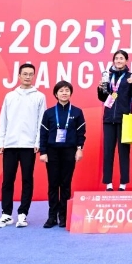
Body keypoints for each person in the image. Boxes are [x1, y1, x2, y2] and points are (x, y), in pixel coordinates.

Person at [0, 63, 46, 228]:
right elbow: (3, 120)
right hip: (10, 144)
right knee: (8, 180)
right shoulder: (10, 96)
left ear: (34, 76)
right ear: (19, 76)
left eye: (31, 74)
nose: (28, 77)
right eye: (25, 74)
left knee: (27, 179)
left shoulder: (39, 97)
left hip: (29, 145)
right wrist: (1, 141)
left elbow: (41, 121)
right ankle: (6, 214)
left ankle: (23, 214)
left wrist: (38, 142)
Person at [38, 80, 86, 229]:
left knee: (65, 184)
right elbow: (43, 133)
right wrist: (43, 152)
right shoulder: (49, 113)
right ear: (56, 94)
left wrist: (79, 149)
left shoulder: (77, 112)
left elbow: (81, 133)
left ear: (70, 93)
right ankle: (52, 216)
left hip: (69, 151)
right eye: (61, 91)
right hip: (52, 152)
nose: (64, 93)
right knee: (53, 184)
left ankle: (63, 216)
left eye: (67, 90)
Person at [97, 50, 132, 191]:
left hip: (124, 119)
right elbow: (103, 98)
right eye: (116, 58)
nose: (119, 60)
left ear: (126, 61)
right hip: (108, 119)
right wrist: (100, 89)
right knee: (108, 152)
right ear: (113, 60)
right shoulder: (107, 76)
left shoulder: (130, 76)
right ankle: (108, 183)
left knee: (123, 152)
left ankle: (123, 183)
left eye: (121, 58)